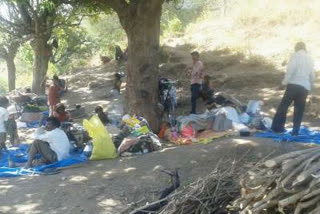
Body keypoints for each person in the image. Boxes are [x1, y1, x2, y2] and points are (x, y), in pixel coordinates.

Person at [271, 42, 316, 136]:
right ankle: (295, 131)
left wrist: (283, 84)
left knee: (283, 107)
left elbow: (290, 70)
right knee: (299, 109)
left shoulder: (295, 56)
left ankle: (277, 128)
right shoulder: (310, 58)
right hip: (304, 87)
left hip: (293, 85)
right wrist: (309, 86)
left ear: (297, 48)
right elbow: (312, 75)